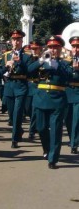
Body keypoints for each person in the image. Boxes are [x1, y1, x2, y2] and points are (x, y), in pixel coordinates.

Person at [27, 35, 72, 169]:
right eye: (51, 47)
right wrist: (40, 61)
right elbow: (29, 71)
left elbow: (69, 75)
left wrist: (57, 66)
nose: (52, 50)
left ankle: (53, 158)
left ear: (60, 48)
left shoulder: (65, 63)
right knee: (41, 128)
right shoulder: (41, 60)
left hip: (57, 100)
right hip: (41, 99)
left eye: (55, 47)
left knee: (56, 130)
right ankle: (47, 149)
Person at [0, 29, 30, 148]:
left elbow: (29, 70)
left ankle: (14, 139)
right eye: (14, 40)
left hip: (21, 85)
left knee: (18, 113)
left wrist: (20, 62)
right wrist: (6, 67)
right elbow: (1, 69)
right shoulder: (6, 55)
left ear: (22, 41)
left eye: (18, 39)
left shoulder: (27, 56)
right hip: (9, 85)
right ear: (11, 41)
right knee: (12, 114)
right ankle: (19, 130)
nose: (16, 42)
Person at [65, 36, 79, 154]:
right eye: (74, 46)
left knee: (76, 119)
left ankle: (74, 143)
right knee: (68, 119)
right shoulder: (66, 60)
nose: (76, 49)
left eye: (78, 47)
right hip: (68, 91)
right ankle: (72, 139)